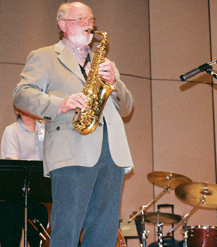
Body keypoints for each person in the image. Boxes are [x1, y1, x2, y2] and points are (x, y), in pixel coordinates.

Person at [13, 2, 134, 246]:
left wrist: (115, 84)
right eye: (80, 19)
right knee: (66, 228)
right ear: (62, 24)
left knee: (104, 231)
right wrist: (61, 103)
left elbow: (128, 107)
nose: (88, 24)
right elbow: (22, 95)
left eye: (90, 19)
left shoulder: (106, 64)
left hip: (112, 153)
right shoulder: (45, 56)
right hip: (71, 151)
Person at [0, 108, 48, 247]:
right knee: (10, 227)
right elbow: (13, 164)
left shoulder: (45, 129)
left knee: (42, 218)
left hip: (38, 196)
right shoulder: (12, 131)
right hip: (13, 197)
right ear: (18, 109)